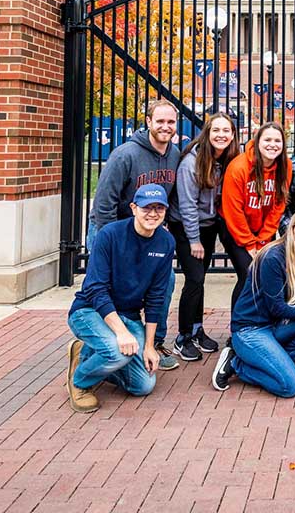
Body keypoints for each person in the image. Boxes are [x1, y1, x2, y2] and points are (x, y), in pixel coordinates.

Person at [211, 209, 295, 397]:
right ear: (292, 228)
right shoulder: (273, 257)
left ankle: (284, 360)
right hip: (251, 330)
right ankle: (236, 364)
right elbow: (276, 308)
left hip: (275, 326)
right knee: (290, 386)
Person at [87, 98, 181, 370]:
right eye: (160, 121)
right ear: (148, 122)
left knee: (166, 281)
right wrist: (112, 243)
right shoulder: (125, 155)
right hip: (111, 233)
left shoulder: (174, 155)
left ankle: (155, 342)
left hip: (146, 234)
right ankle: (95, 342)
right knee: (105, 289)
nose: (166, 126)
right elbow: (103, 205)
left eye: (170, 122)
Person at [65, 184, 174, 413]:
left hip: (129, 316)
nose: (152, 214)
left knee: (143, 385)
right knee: (116, 351)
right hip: (90, 311)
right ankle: (80, 380)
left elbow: (156, 297)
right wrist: (121, 333)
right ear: (134, 208)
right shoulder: (110, 235)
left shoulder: (166, 242)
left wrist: (150, 346)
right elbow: (95, 289)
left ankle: (90, 353)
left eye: (159, 208)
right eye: (146, 208)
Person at [167, 112, 239, 362]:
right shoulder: (192, 162)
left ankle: (198, 329)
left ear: (232, 135)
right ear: (207, 133)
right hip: (186, 226)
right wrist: (194, 240)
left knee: (200, 279)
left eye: (226, 131)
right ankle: (183, 336)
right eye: (216, 130)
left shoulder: (228, 159)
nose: (221, 135)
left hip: (208, 224)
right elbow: (187, 205)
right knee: (194, 279)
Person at [220, 121, 291, 309]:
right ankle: (237, 327)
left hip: (262, 232)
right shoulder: (239, 167)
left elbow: (278, 206)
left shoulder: (285, 166)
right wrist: (250, 244)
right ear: (258, 141)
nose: (272, 144)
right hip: (235, 230)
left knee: (266, 273)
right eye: (267, 139)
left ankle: (259, 321)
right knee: (248, 273)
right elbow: (233, 210)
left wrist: (263, 240)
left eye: (277, 140)